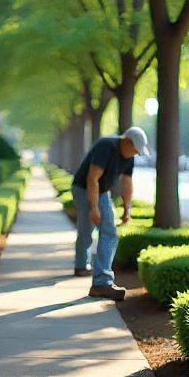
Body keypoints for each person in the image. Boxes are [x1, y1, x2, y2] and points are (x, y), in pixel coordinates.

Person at [70, 126, 149, 300]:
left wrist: (127, 207)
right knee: (86, 230)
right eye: (135, 149)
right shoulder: (106, 146)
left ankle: (101, 282)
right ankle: (81, 265)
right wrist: (94, 207)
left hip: (102, 191)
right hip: (83, 188)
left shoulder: (129, 157)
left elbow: (127, 183)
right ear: (127, 141)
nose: (135, 153)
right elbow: (92, 178)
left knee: (109, 232)